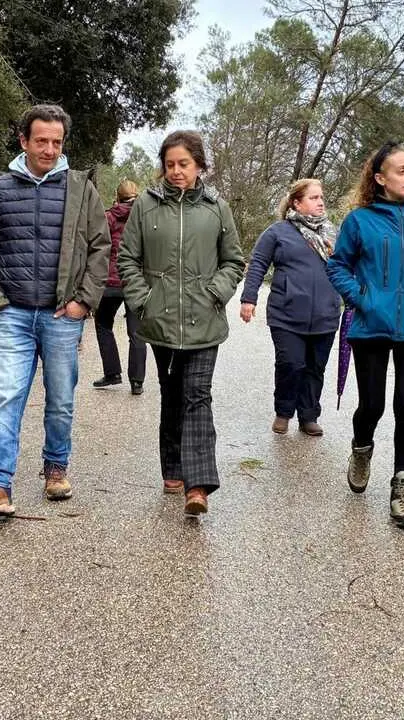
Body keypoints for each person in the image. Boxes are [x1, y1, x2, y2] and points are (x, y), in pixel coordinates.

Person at [0, 104, 110, 518]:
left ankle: (56, 467)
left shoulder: (81, 189)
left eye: (56, 142)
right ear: (23, 141)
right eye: (41, 140)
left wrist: (84, 301)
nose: (49, 149)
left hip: (63, 314)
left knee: (60, 399)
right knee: (7, 395)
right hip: (11, 314)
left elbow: (101, 248)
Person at [118, 130, 245, 516]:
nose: (176, 171)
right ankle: (172, 467)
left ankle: (199, 484)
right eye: (170, 164)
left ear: (200, 166)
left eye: (184, 164)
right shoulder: (145, 205)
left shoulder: (216, 207)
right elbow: (128, 259)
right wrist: (145, 301)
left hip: (205, 321)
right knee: (173, 393)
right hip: (161, 322)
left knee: (197, 394)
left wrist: (213, 293)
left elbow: (234, 261)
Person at [326, 141, 404, 530]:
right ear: (380, 179)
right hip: (371, 327)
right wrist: (361, 298)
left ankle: (403, 488)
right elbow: (338, 266)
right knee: (373, 405)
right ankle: (361, 449)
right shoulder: (359, 221)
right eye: (401, 170)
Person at [239, 179, 342, 436]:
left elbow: (348, 269)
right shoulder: (278, 232)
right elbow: (258, 264)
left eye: (321, 197)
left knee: (315, 368)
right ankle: (284, 411)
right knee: (291, 364)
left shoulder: (333, 234)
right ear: (297, 203)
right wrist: (248, 299)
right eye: (314, 197)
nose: (320, 202)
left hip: (325, 315)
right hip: (286, 315)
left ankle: (308, 416)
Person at [92, 180, 148, 395]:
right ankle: (137, 382)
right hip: (135, 281)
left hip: (111, 282)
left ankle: (112, 373)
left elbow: (97, 247)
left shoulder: (108, 217)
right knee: (137, 332)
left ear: (118, 196)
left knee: (103, 324)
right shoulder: (145, 217)